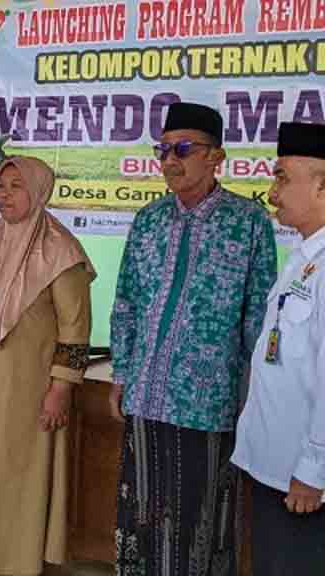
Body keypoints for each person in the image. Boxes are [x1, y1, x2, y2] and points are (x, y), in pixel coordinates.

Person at [110, 101, 277, 575]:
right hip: (144, 395)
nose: (169, 160)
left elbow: (259, 317)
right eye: (163, 150)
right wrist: (121, 374)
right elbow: (126, 301)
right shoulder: (148, 220)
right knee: (142, 513)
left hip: (208, 402)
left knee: (198, 519)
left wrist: (252, 395)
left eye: (183, 149)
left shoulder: (248, 222)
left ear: (216, 156)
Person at [0, 156, 95, 576]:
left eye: (16, 186)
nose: (3, 195)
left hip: (29, 382)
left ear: (39, 191)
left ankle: (14, 562)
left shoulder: (60, 251)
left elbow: (75, 327)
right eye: (0, 185)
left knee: (16, 467)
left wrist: (60, 390)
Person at [231, 121, 325, 576]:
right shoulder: (304, 256)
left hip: (305, 480)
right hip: (276, 463)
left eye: (283, 178)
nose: (272, 193)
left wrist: (314, 468)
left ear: (322, 186)